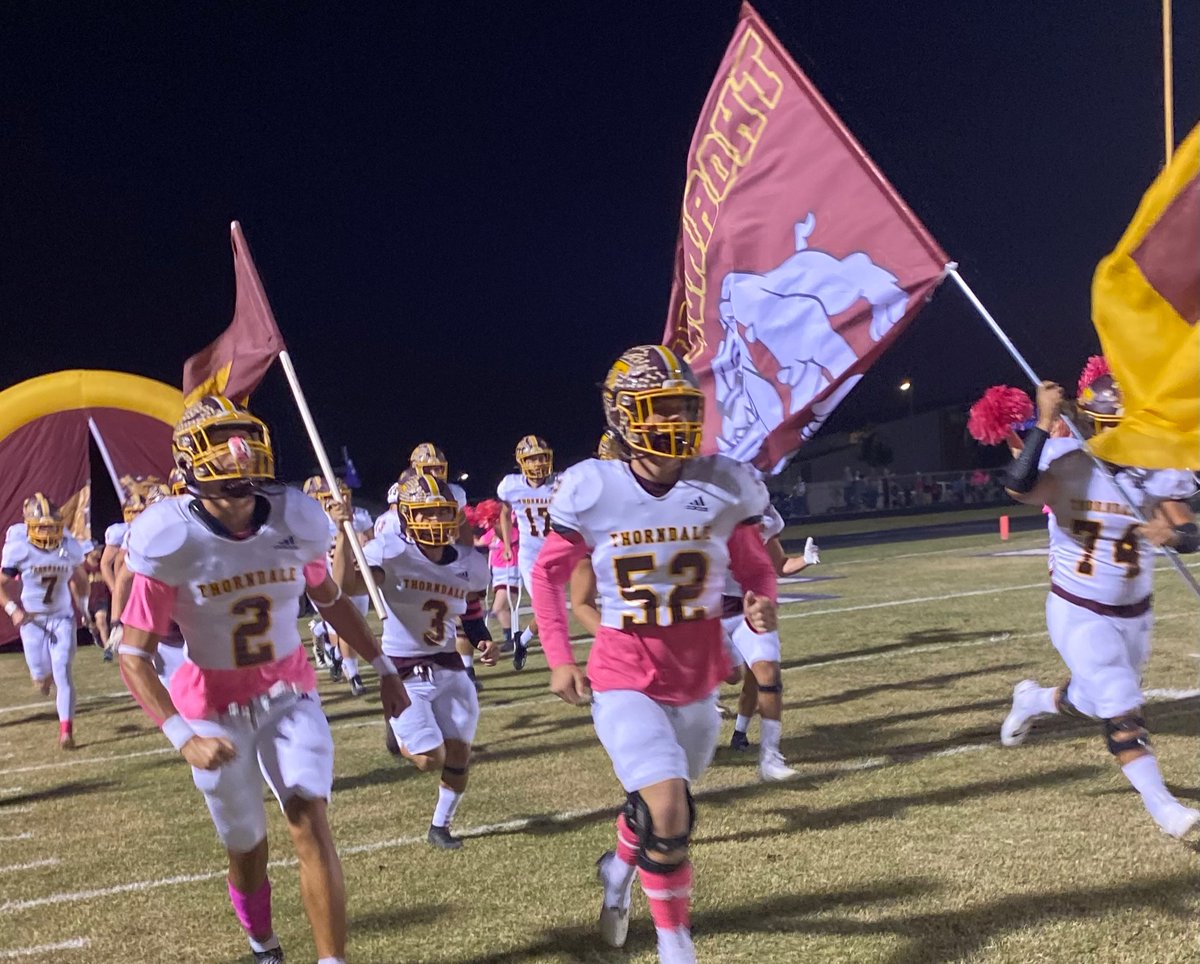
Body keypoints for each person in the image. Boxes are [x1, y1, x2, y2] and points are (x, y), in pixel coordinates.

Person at [117, 395, 408, 964]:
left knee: (308, 817)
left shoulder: (294, 518)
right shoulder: (169, 536)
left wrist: (383, 666)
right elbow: (133, 655)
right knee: (246, 848)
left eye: (244, 438)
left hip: (288, 694)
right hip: (212, 709)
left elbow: (329, 599)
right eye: (220, 443)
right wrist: (183, 736)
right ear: (188, 460)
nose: (237, 452)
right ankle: (262, 941)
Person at [531, 345, 778, 962]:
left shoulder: (724, 483)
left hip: (696, 678)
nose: (675, 421)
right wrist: (559, 656)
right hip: (624, 675)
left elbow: (756, 568)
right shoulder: (593, 488)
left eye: (683, 407)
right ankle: (675, 946)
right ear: (622, 414)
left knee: (660, 807)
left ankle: (617, 872)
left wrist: (761, 602)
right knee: (670, 810)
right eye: (659, 408)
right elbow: (547, 576)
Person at [998, 370, 1200, 843]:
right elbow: (1017, 485)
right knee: (1120, 702)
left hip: (1135, 614)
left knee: (1092, 700)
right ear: (1090, 423)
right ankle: (1165, 808)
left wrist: (1173, 534)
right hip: (1079, 608)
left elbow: (1190, 530)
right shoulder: (1070, 464)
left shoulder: (1153, 471)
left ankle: (1034, 700)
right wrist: (1042, 421)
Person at [337, 473, 493, 849]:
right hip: (404, 669)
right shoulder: (391, 552)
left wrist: (482, 639)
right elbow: (346, 586)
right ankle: (398, 732)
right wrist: (342, 533)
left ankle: (441, 825)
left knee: (460, 753)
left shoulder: (471, 563)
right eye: (426, 513)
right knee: (429, 758)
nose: (436, 521)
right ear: (407, 516)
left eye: (442, 512)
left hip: (449, 664)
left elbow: (471, 607)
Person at [725, 509, 821, 780]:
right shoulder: (704, 507)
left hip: (753, 606)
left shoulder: (765, 514)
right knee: (731, 676)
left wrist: (805, 559)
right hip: (711, 609)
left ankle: (769, 756)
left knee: (766, 674)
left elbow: (780, 565)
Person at [0, 494, 88, 748]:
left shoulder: (68, 546)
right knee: (40, 676)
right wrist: (13, 610)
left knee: (63, 670)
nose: (48, 533)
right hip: (32, 621)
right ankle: (42, 677)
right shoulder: (19, 548)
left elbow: (81, 579)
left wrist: (83, 607)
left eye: (52, 526)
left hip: (62, 617)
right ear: (29, 526)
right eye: (42, 527)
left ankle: (66, 731)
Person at [303, 475, 375, 697]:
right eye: (329, 496)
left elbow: (371, 542)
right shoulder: (311, 522)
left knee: (355, 624)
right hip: (325, 580)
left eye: (343, 495)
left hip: (354, 578)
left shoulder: (360, 516)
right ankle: (353, 675)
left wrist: (366, 545)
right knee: (344, 626)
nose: (338, 500)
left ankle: (328, 643)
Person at [497, 434, 556, 670]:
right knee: (547, 609)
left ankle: (521, 640)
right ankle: (557, 662)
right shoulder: (511, 486)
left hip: (559, 552)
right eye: (532, 458)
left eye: (542, 457)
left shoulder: (561, 483)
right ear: (522, 461)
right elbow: (504, 514)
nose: (538, 463)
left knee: (553, 609)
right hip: (532, 556)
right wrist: (507, 545)